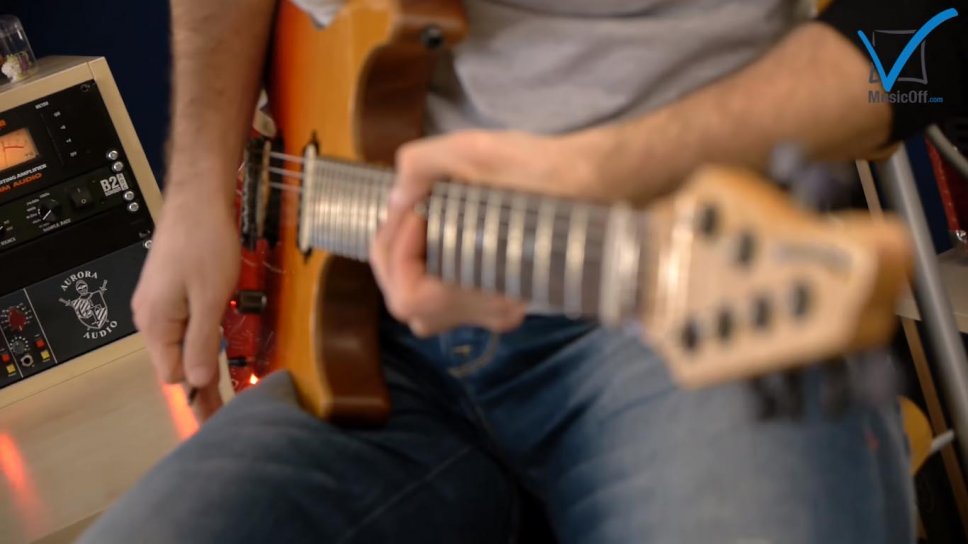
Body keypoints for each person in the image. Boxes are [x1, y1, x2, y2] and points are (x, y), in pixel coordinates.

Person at [81, 0, 966, 542]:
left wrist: (599, 169)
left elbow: (938, 30)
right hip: (358, 325)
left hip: (676, 288)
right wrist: (198, 187)